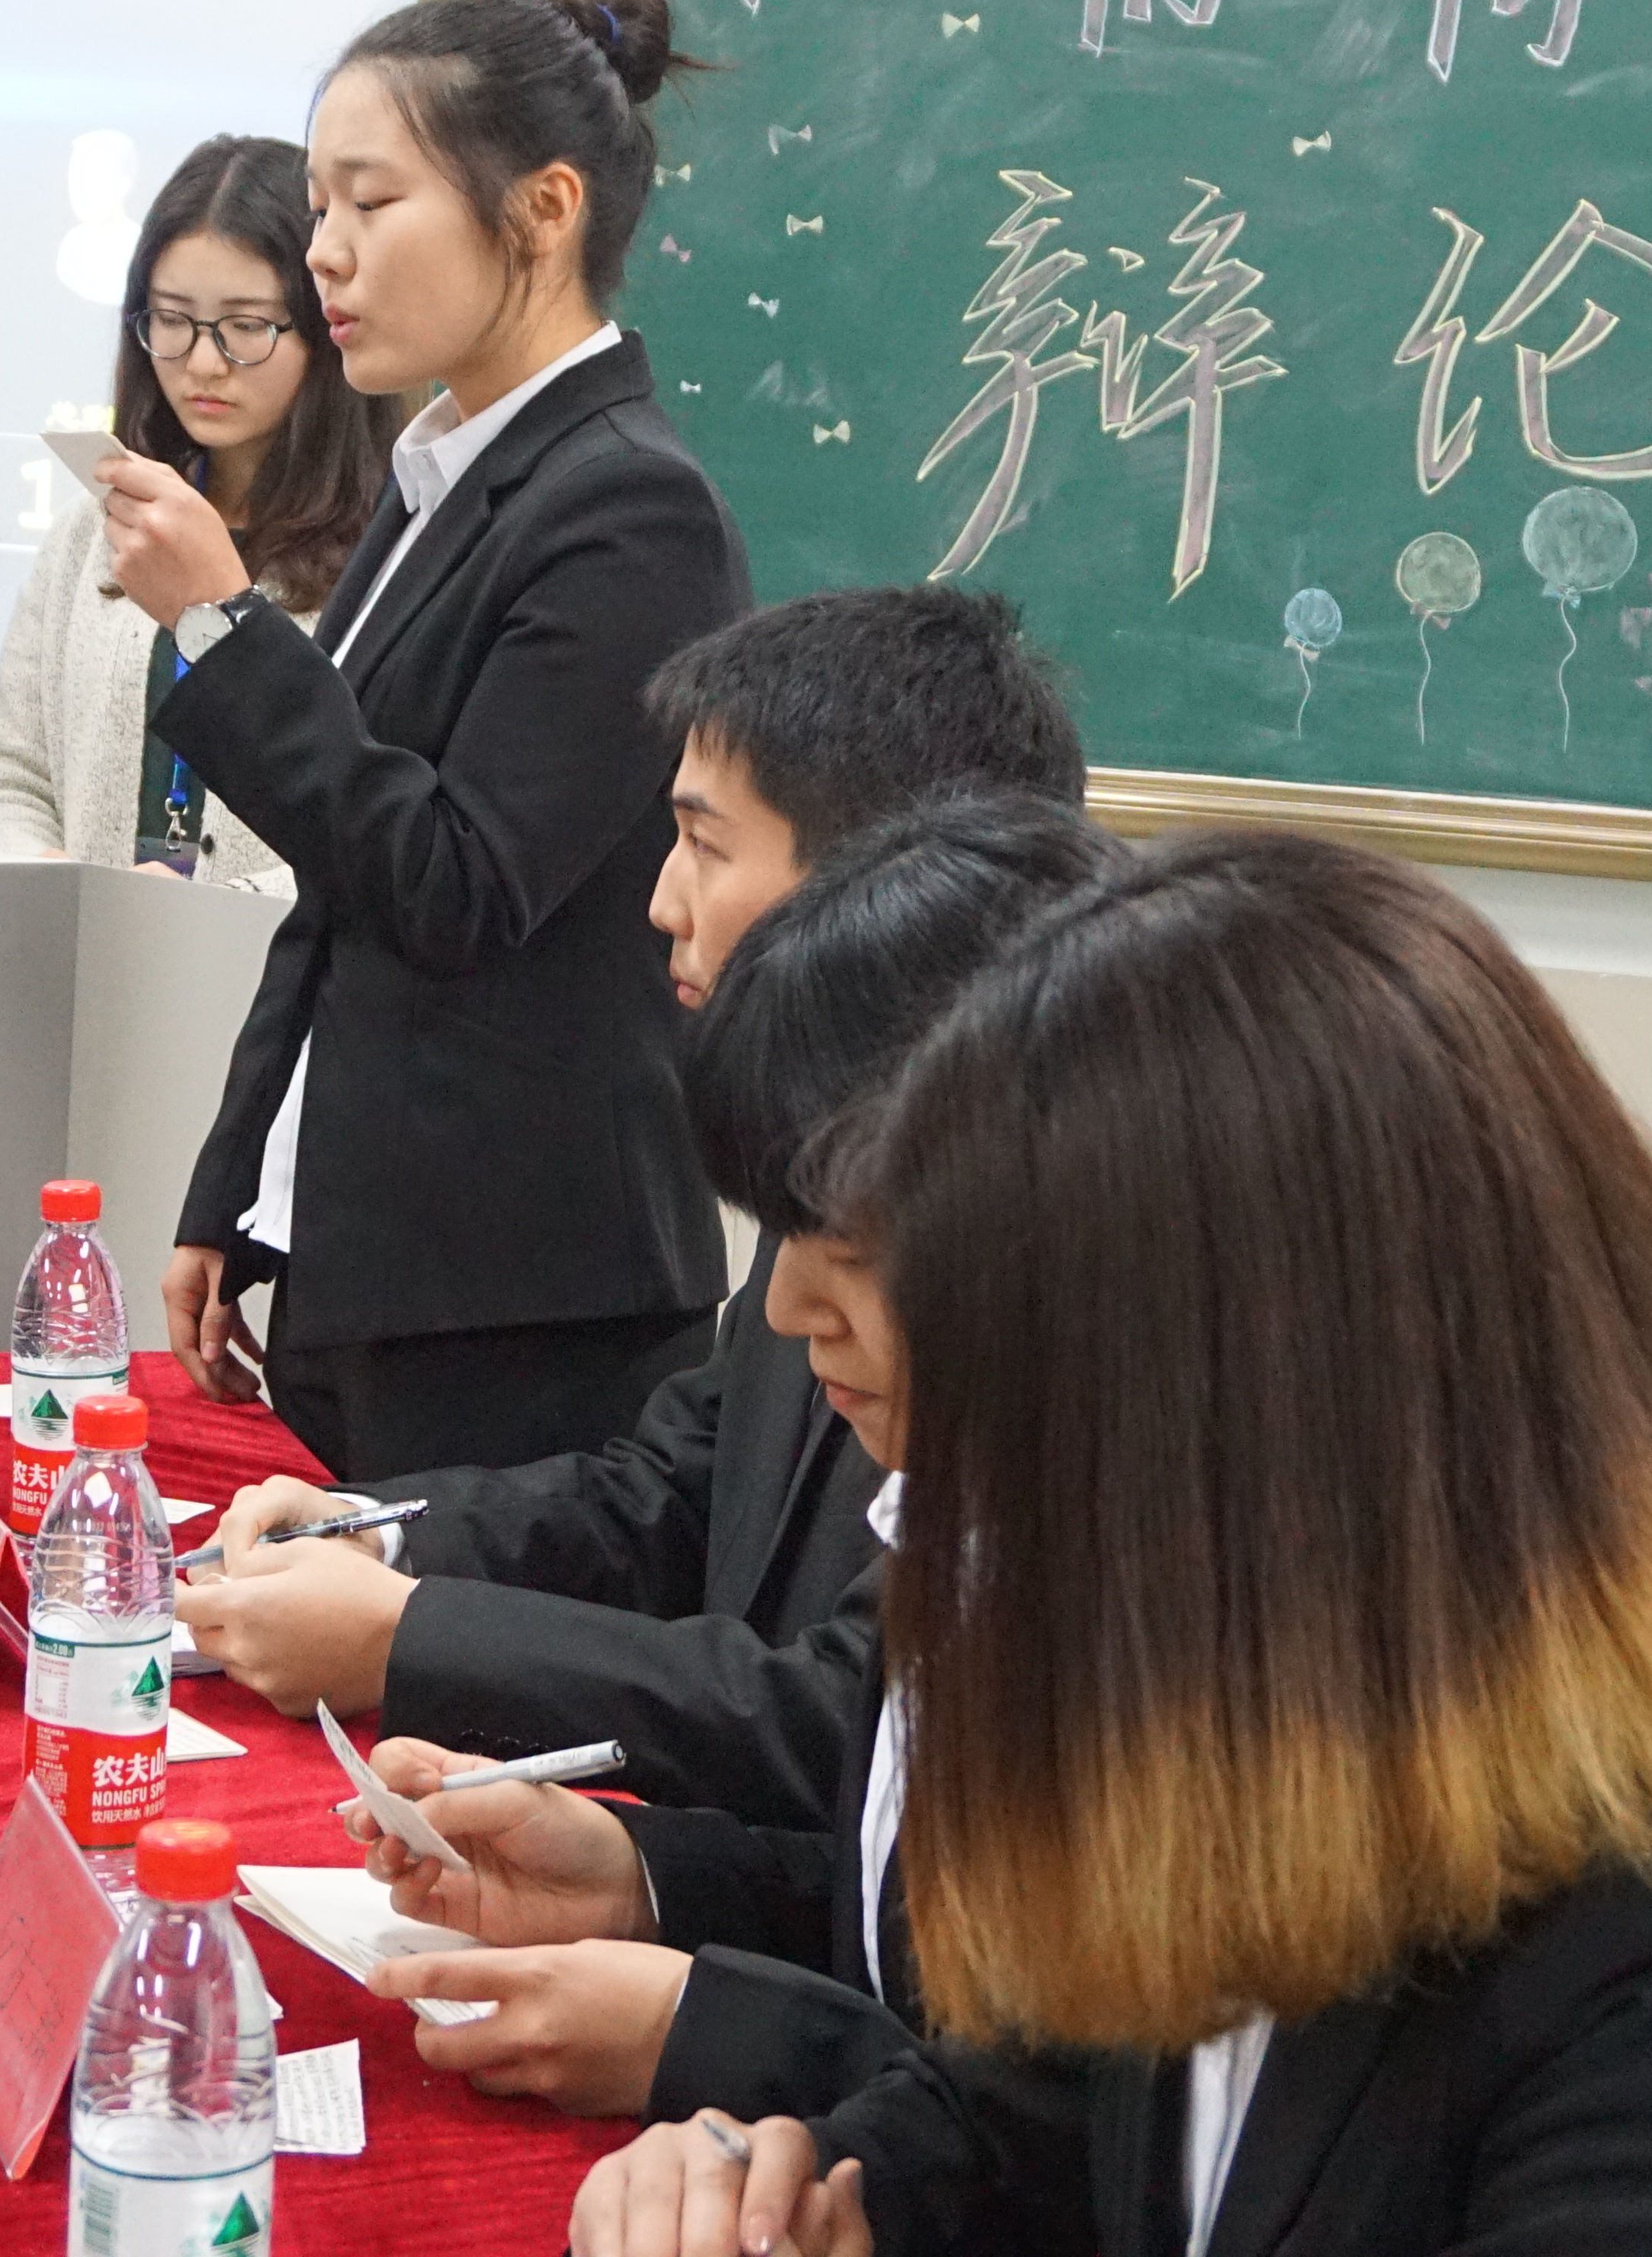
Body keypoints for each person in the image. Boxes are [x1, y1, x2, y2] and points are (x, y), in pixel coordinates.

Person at [553, 832, 1652, 2257]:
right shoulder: (1262, 1684)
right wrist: (803, 2196)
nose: (799, 1317)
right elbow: (1041, 2116)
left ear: (1254, 1410)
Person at [173, 587, 1085, 1830]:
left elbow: (854, 1713)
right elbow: (668, 1491)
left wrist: (412, 1637)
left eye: (704, 845)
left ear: (886, 876)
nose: (661, 901)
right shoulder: (824, 1134)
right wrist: (384, 1540)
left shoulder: (1055, 1239)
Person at [333, 795, 1119, 2129]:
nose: (791, 1307)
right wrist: (639, 1876)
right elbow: (903, 1924)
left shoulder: (1171, 1597)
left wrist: (719, 2034)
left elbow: (1089, 2131)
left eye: (704, 838)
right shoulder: (982, 1488)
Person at [96, 0, 748, 1480]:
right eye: (321, 203)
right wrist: (236, 1185)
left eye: (371, 201)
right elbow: (340, 890)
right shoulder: (443, 467)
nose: (323, 248)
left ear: (544, 209)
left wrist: (223, 627)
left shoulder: (629, 507)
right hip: (378, 1258)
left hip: (525, 1295)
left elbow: (458, 881)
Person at [0, 134, 397, 891]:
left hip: (267, 955)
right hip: (89, 946)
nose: (203, 363)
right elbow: (8, 774)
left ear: (325, 329)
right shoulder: (93, 531)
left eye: (247, 326)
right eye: (172, 319)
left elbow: (388, 834)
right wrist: (51, 881)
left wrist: (212, 915)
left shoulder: (389, 551)